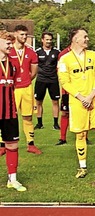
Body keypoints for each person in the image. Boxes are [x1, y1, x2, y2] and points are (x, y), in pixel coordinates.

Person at [58, 28, 95, 178]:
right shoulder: (64, 59)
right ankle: (82, 167)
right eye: (84, 37)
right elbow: (64, 82)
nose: (87, 39)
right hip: (77, 102)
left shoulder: (93, 56)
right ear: (75, 39)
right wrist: (81, 97)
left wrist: (91, 95)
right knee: (80, 135)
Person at [3, 25, 41, 155]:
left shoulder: (30, 52)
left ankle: (31, 144)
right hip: (11, 89)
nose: (24, 37)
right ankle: (3, 145)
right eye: (21, 34)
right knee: (6, 117)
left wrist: (26, 80)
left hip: (26, 88)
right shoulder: (8, 50)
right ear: (15, 34)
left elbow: (34, 71)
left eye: (25, 35)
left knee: (28, 117)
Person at [0, 30, 27, 191]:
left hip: (10, 112)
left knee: (12, 145)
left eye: (11, 43)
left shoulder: (13, 64)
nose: (11, 46)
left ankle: (13, 179)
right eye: (7, 43)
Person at [34, 32, 61, 130]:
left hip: (53, 80)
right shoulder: (37, 52)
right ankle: (39, 123)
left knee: (55, 102)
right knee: (38, 102)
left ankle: (55, 123)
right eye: (47, 39)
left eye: (50, 39)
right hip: (41, 80)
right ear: (42, 40)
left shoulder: (57, 52)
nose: (49, 41)